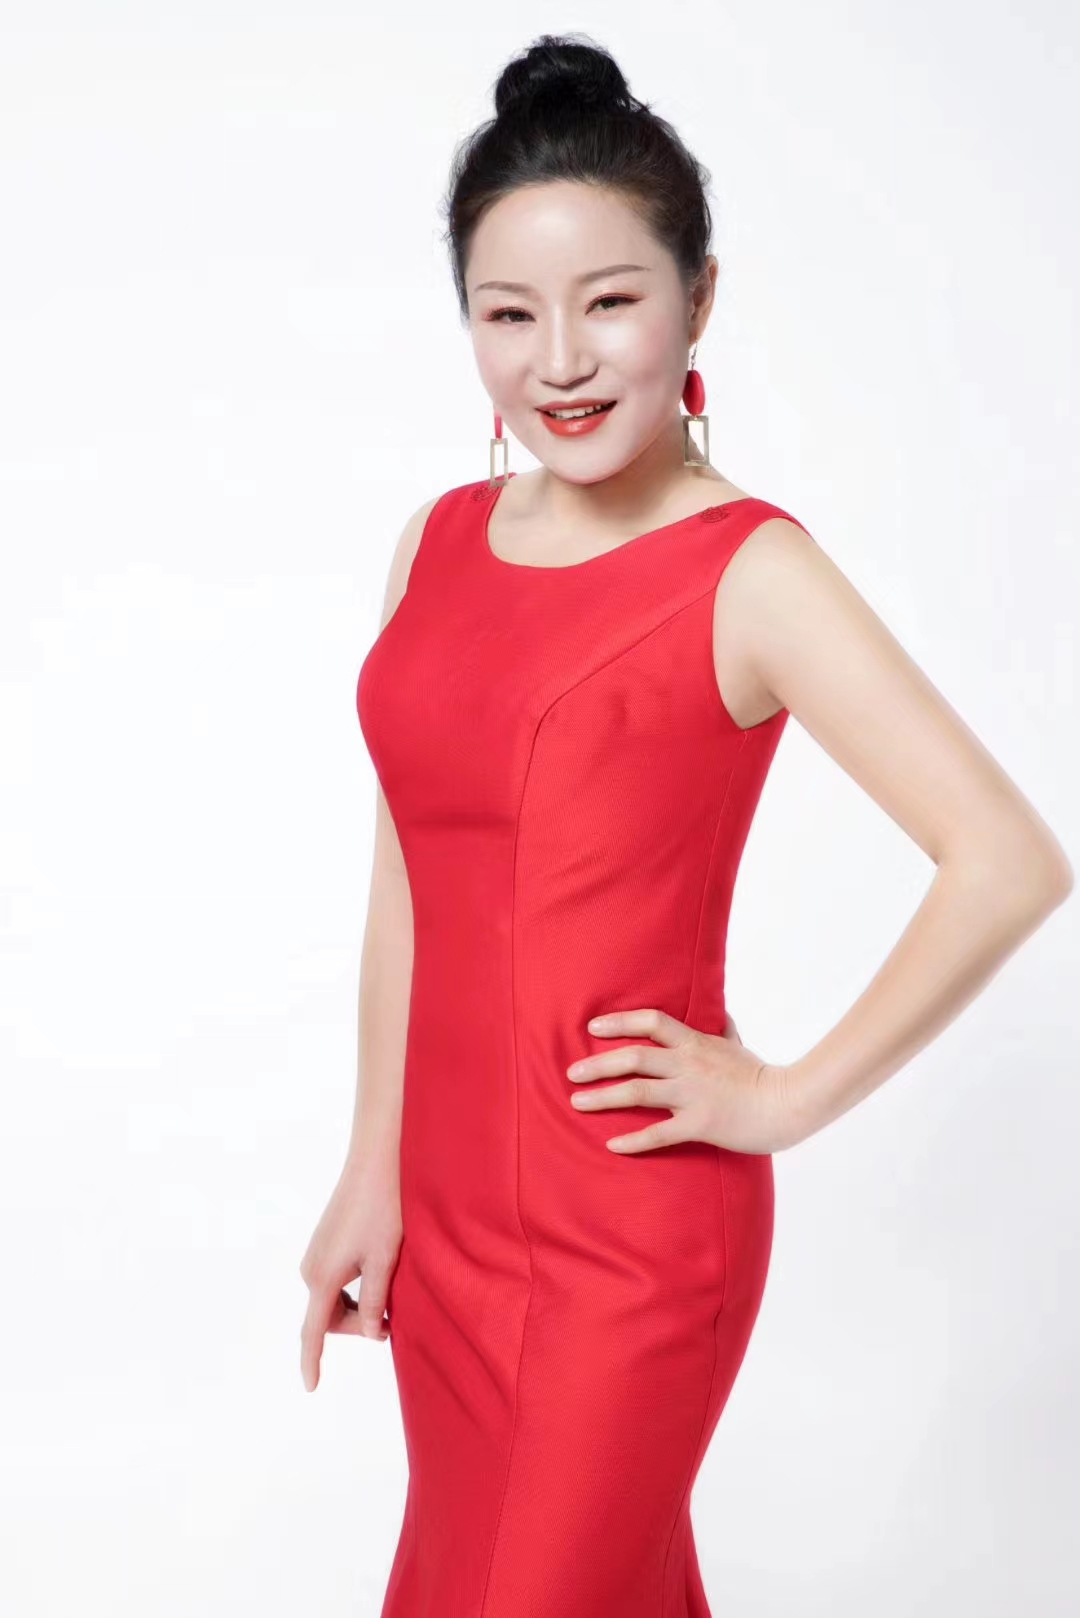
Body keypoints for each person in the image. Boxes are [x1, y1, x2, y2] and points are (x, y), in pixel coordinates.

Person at [299, 32, 1073, 1618]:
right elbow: (409, 875)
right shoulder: (434, 544)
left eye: (610, 302)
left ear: (698, 299)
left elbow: (1009, 858)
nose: (560, 361)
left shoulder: (750, 572)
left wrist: (782, 1096)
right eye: (508, 314)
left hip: (630, 1228)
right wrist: (372, 1166)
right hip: (446, 1217)